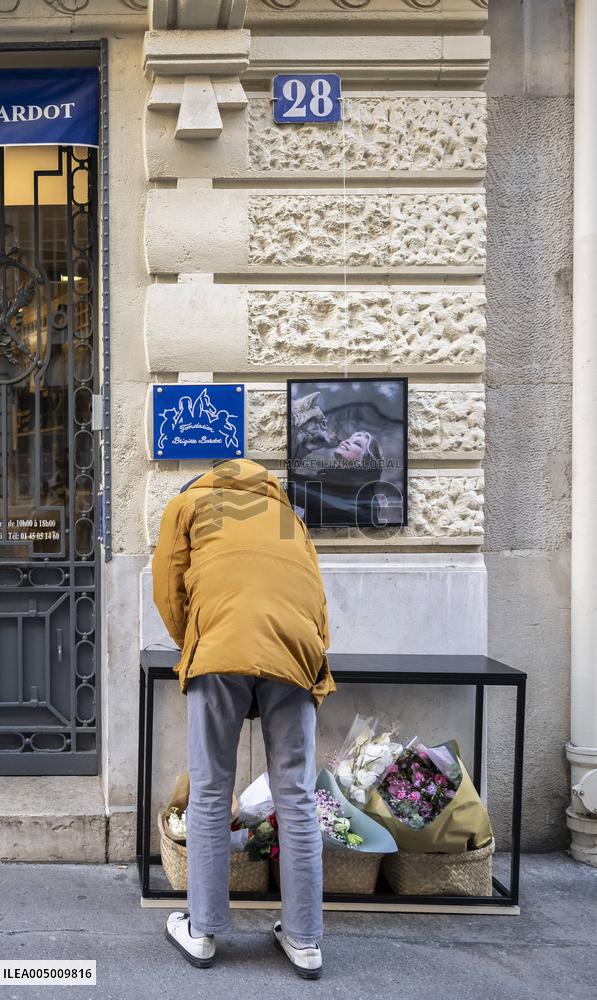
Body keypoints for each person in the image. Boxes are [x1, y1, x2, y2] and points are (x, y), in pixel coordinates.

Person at [152, 458, 335, 979]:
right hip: (296, 654)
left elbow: (169, 589)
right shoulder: (288, 516)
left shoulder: (191, 503)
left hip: (219, 649)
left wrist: (196, 644)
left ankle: (203, 930)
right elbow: (317, 601)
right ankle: (304, 941)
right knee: (296, 795)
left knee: (211, 791)